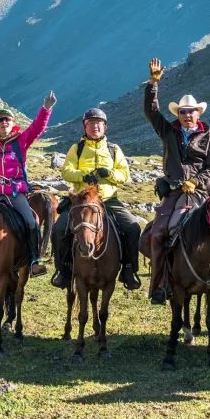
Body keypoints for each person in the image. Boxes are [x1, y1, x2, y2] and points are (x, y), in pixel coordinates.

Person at [143, 58, 210, 305]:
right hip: (174, 193)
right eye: (183, 112)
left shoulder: (209, 137)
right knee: (157, 233)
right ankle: (158, 285)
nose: (188, 115)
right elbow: (151, 112)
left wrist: (197, 181)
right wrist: (153, 84)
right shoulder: (168, 131)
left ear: (199, 113)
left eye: (191, 111)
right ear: (179, 114)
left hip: (200, 194)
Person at [51, 108, 142, 291]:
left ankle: (129, 269)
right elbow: (66, 171)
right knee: (60, 229)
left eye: (99, 123)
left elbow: (124, 174)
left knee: (132, 227)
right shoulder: (77, 148)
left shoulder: (114, 149)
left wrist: (108, 173)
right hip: (81, 201)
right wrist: (83, 176)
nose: (95, 126)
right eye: (91, 123)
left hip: (107, 199)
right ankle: (63, 270)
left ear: (105, 127)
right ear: (85, 127)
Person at [0, 92, 56, 277]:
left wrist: (46, 109)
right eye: (1, 120)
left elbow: (37, 128)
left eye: (8, 120)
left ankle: (34, 260)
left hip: (15, 193)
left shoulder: (20, 141)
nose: (4, 122)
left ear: (12, 124)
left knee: (31, 222)